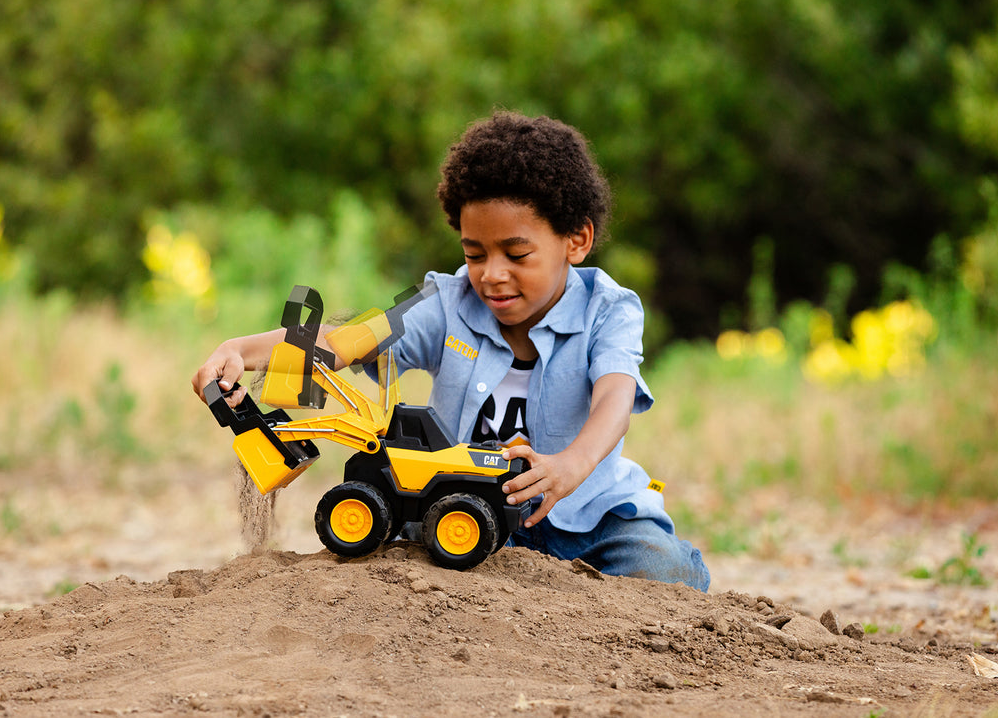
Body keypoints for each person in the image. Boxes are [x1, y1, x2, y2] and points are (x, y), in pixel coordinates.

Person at [192, 110, 710, 591]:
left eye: (516, 254)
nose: (492, 274)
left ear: (576, 240)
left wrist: (571, 465)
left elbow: (615, 397)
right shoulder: (445, 302)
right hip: (466, 508)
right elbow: (342, 342)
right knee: (407, 569)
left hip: (591, 515)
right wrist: (241, 350)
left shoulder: (608, 309)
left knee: (665, 570)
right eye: (475, 254)